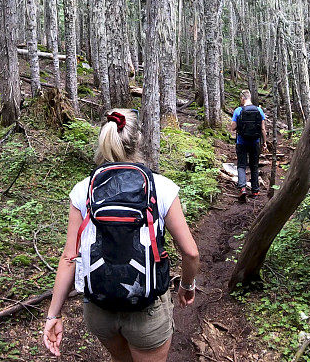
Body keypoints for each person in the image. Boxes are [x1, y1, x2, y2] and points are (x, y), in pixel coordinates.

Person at [43, 109, 200, 362]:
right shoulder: (160, 186)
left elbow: (68, 257)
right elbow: (191, 252)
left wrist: (53, 315)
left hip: (99, 309)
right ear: (138, 141)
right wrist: (187, 285)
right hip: (146, 309)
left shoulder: (84, 189)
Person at [229, 90, 267, 202]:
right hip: (255, 142)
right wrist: (264, 142)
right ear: (250, 98)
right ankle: (255, 190)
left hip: (241, 142)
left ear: (242, 98)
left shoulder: (238, 110)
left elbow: (233, 127)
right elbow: (263, 129)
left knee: (241, 165)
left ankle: (243, 188)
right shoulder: (259, 110)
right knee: (254, 166)